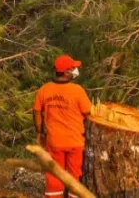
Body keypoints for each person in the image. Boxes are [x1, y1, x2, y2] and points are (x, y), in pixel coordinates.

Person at [33, 54, 92, 198]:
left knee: (54, 177)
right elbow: (89, 114)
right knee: (74, 178)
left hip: (54, 142)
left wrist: (39, 133)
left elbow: (36, 112)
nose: (75, 70)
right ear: (66, 72)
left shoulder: (44, 89)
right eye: (73, 68)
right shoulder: (77, 91)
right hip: (75, 141)